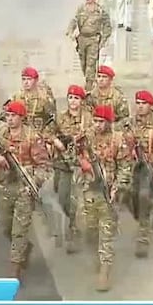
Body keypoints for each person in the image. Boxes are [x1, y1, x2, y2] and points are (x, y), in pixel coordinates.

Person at [0, 101, 50, 280]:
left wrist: (33, 182)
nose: (10, 119)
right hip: (4, 186)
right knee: (6, 226)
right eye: (8, 116)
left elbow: (44, 166)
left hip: (23, 189)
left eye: (14, 116)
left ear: (21, 117)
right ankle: (24, 248)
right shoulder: (0, 133)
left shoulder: (32, 137)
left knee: (18, 230)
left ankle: (15, 267)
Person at [72, 105, 132, 292]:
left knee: (106, 233)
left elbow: (125, 166)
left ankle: (105, 272)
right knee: (89, 229)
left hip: (108, 192)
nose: (97, 125)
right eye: (95, 121)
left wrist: (118, 187)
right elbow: (68, 155)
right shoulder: (85, 137)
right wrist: (82, 163)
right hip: (88, 189)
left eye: (101, 122)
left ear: (108, 122)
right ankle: (97, 259)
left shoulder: (118, 140)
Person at [44, 84, 93, 253]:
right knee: (64, 199)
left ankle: (74, 232)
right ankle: (74, 221)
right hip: (64, 165)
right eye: (70, 98)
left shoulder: (89, 119)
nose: (73, 101)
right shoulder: (60, 118)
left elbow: (94, 136)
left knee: (76, 201)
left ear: (82, 101)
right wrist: (54, 140)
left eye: (76, 98)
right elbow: (46, 132)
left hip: (81, 164)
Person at [126, 90, 153, 258]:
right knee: (128, 197)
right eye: (137, 103)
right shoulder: (129, 124)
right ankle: (144, 216)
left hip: (149, 167)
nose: (140, 106)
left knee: (144, 197)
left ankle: (143, 237)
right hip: (131, 167)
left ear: (150, 106)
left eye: (143, 103)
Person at [66, 0, 112, 91]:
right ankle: (89, 79)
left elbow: (107, 26)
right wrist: (70, 31)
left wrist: (103, 40)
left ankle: (89, 86)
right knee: (83, 63)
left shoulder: (100, 10)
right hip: (82, 39)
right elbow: (74, 20)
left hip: (93, 40)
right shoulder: (81, 8)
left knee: (91, 64)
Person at [10, 67, 56, 131]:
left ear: (36, 80)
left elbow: (52, 119)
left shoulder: (44, 97)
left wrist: (46, 134)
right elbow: (6, 117)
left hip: (40, 132)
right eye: (23, 79)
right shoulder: (17, 97)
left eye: (29, 79)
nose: (26, 82)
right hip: (22, 134)